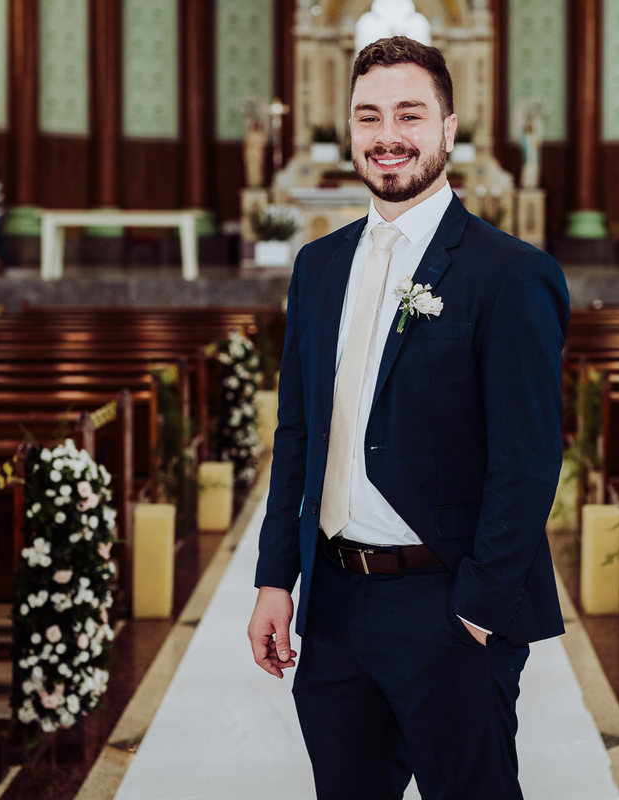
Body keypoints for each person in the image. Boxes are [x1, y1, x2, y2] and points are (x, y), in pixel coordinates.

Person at [247, 36, 569, 799]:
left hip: (448, 605)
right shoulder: (318, 267)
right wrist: (274, 580)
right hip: (335, 605)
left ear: (449, 129)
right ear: (351, 130)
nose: (387, 135)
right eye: (369, 117)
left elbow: (526, 463)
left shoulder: (511, 274)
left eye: (409, 115)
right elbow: (297, 434)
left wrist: (479, 612)